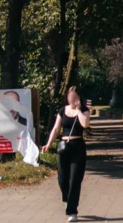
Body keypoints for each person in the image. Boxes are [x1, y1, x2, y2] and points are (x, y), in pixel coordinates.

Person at [43, 86, 91, 222]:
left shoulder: (84, 111)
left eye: (75, 97)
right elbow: (56, 128)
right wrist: (48, 144)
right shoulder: (62, 110)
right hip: (64, 148)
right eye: (70, 97)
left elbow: (85, 124)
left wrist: (78, 110)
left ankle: (72, 211)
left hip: (78, 148)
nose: (72, 99)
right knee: (62, 179)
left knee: (75, 179)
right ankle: (68, 199)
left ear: (79, 98)